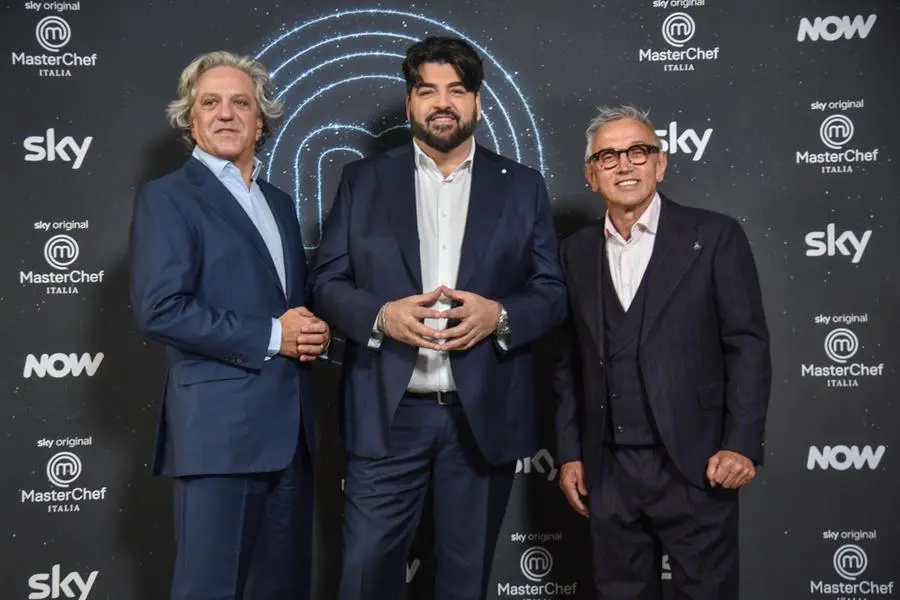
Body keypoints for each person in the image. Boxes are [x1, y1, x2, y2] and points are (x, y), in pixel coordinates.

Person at [311, 36, 567, 600]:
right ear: (409, 104)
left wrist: (500, 314)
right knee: (363, 572)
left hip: (481, 420)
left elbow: (551, 292)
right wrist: (381, 315)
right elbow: (325, 284)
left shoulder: (521, 187)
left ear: (477, 102)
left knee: (463, 579)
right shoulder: (363, 181)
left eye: (456, 89)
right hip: (388, 413)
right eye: (427, 90)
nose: (441, 102)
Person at [129, 50, 329, 600]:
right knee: (209, 590)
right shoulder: (168, 197)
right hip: (217, 435)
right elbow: (160, 308)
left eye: (240, 102)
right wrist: (274, 335)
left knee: (283, 588)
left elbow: (288, 305)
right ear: (190, 120)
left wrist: (311, 330)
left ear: (259, 121)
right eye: (209, 103)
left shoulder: (279, 203)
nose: (225, 114)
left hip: (291, 435)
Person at [554, 105, 771, 599]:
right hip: (607, 470)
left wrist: (741, 442)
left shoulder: (714, 236)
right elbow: (568, 363)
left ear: (661, 163)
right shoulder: (574, 252)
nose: (624, 165)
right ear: (591, 175)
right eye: (608, 157)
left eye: (638, 151)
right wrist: (569, 452)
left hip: (698, 463)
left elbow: (747, 346)